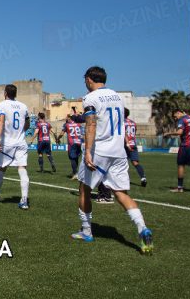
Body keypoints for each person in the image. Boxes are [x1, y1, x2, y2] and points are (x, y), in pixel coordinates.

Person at [71, 66, 153, 255]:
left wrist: (89, 151)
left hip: (100, 149)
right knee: (120, 193)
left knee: (84, 188)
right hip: (118, 151)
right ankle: (142, 227)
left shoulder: (90, 98)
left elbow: (91, 124)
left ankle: (86, 231)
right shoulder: (117, 96)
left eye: (85, 80)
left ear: (89, 79)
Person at [0, 84, 31, 208]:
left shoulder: (2, 105)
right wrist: (21, 131)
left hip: (7, 142)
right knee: (22, 169)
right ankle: (24, 200)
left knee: (1, 169)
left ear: (5, 93)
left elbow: (0, 121)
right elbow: (28, 123)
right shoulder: (23, 106)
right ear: (16, 94)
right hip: (21, 142)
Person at [124, 108, 147, 187]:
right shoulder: (133, 122)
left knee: (123, 163)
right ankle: (143, 178)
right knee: (135, 163)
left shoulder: (121, 122)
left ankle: (125, 180)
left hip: (124, 144)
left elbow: (123, 133)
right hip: (133, 143)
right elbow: (134, 131)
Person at [60, 113, 83, 178]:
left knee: (72, 158)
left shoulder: (66, 124)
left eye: (67, 117)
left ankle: (75, 173)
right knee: (76, 158)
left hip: (72, 143)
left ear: (69, 118)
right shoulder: (78, 124)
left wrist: (58, 138)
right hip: (79, 142)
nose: (66, 118)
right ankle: (74, 172)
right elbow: (82, 133)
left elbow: (62, 133)